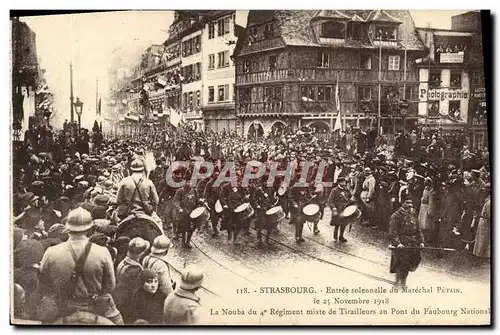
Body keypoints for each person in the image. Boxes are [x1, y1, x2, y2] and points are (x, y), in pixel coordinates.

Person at [37, 207, 122, 324]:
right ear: (90, 228)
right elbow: (110, 286)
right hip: (95, 307)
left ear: (67, 228)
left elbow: (43, 286)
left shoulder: (51, 252)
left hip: (62, 309)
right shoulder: (103, 252)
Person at [389, 198, 425, 288]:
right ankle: (399, 284)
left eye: (411, 203)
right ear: (402, 203)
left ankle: (401, 283)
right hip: (402, 245)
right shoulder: (396, 216)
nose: (410, 205)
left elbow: (418, 230)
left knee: (408, 265)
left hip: (413, 245)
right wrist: (397, 243)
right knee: (400, 265)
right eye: (407, 202)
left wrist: (421, 241)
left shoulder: (413, 214)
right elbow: (393, 233)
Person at [113, 237, 150, 323]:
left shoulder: (123, 262)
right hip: (129, 305)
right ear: (141, 253)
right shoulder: (135, 269)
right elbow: (135, 292)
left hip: (121, 301)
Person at [116, 159, 161, 224]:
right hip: (145, 210)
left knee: (116, 227)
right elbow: (156, 200)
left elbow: (118, 200)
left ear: (131, 170)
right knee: (159, 223)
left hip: (128, 211)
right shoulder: (148, 182)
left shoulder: (124, 181)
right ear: (142, 170)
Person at [328, 177, 354, 243]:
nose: (344, 183)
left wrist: (352, 200)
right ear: (339, 182)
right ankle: (335, 237)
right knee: (337, 224)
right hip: (338, 209)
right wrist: (333, 207)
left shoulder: (346, 190)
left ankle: (341, 237)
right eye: (342, 182)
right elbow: (330, 200)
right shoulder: (334, 190)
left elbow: (350, 196)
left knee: (344, 223)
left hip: (345, 209)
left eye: (344, 182)